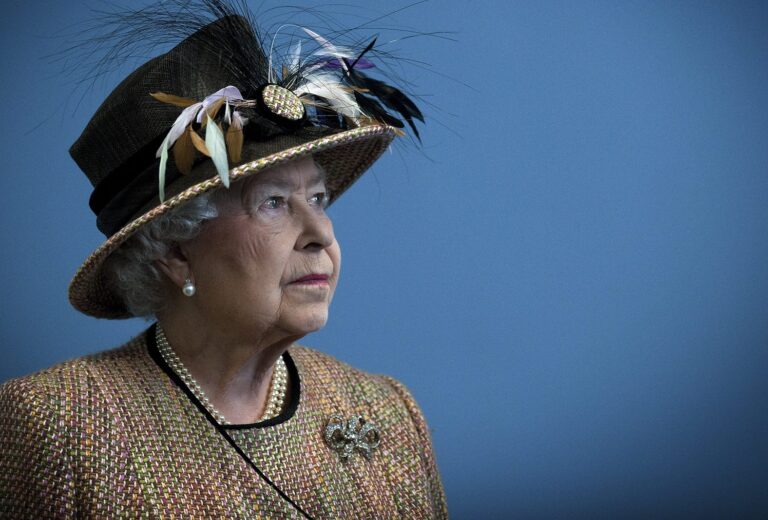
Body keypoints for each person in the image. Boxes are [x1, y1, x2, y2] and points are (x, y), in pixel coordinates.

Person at [0, 3, 447, 518]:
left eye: (318, 199)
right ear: (175, 252)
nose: (322, 234)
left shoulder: (387, 411)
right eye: (273, 202)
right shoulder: (60, 423)